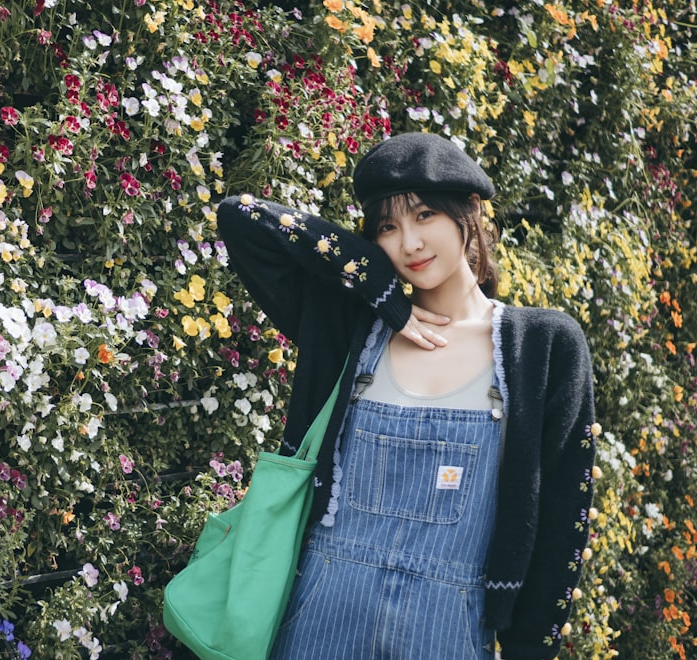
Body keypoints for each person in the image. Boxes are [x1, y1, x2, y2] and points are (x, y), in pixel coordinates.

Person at [215, 132, 597, 660]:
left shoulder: (544, 345)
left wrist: (531, 648)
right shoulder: (352, 326)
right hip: (320, 615)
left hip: (448, 630)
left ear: (468, 214)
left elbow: (562, 514)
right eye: (387, 228)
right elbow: (241, 218)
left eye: (424, 216)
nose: (409, 244)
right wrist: (383, 295)